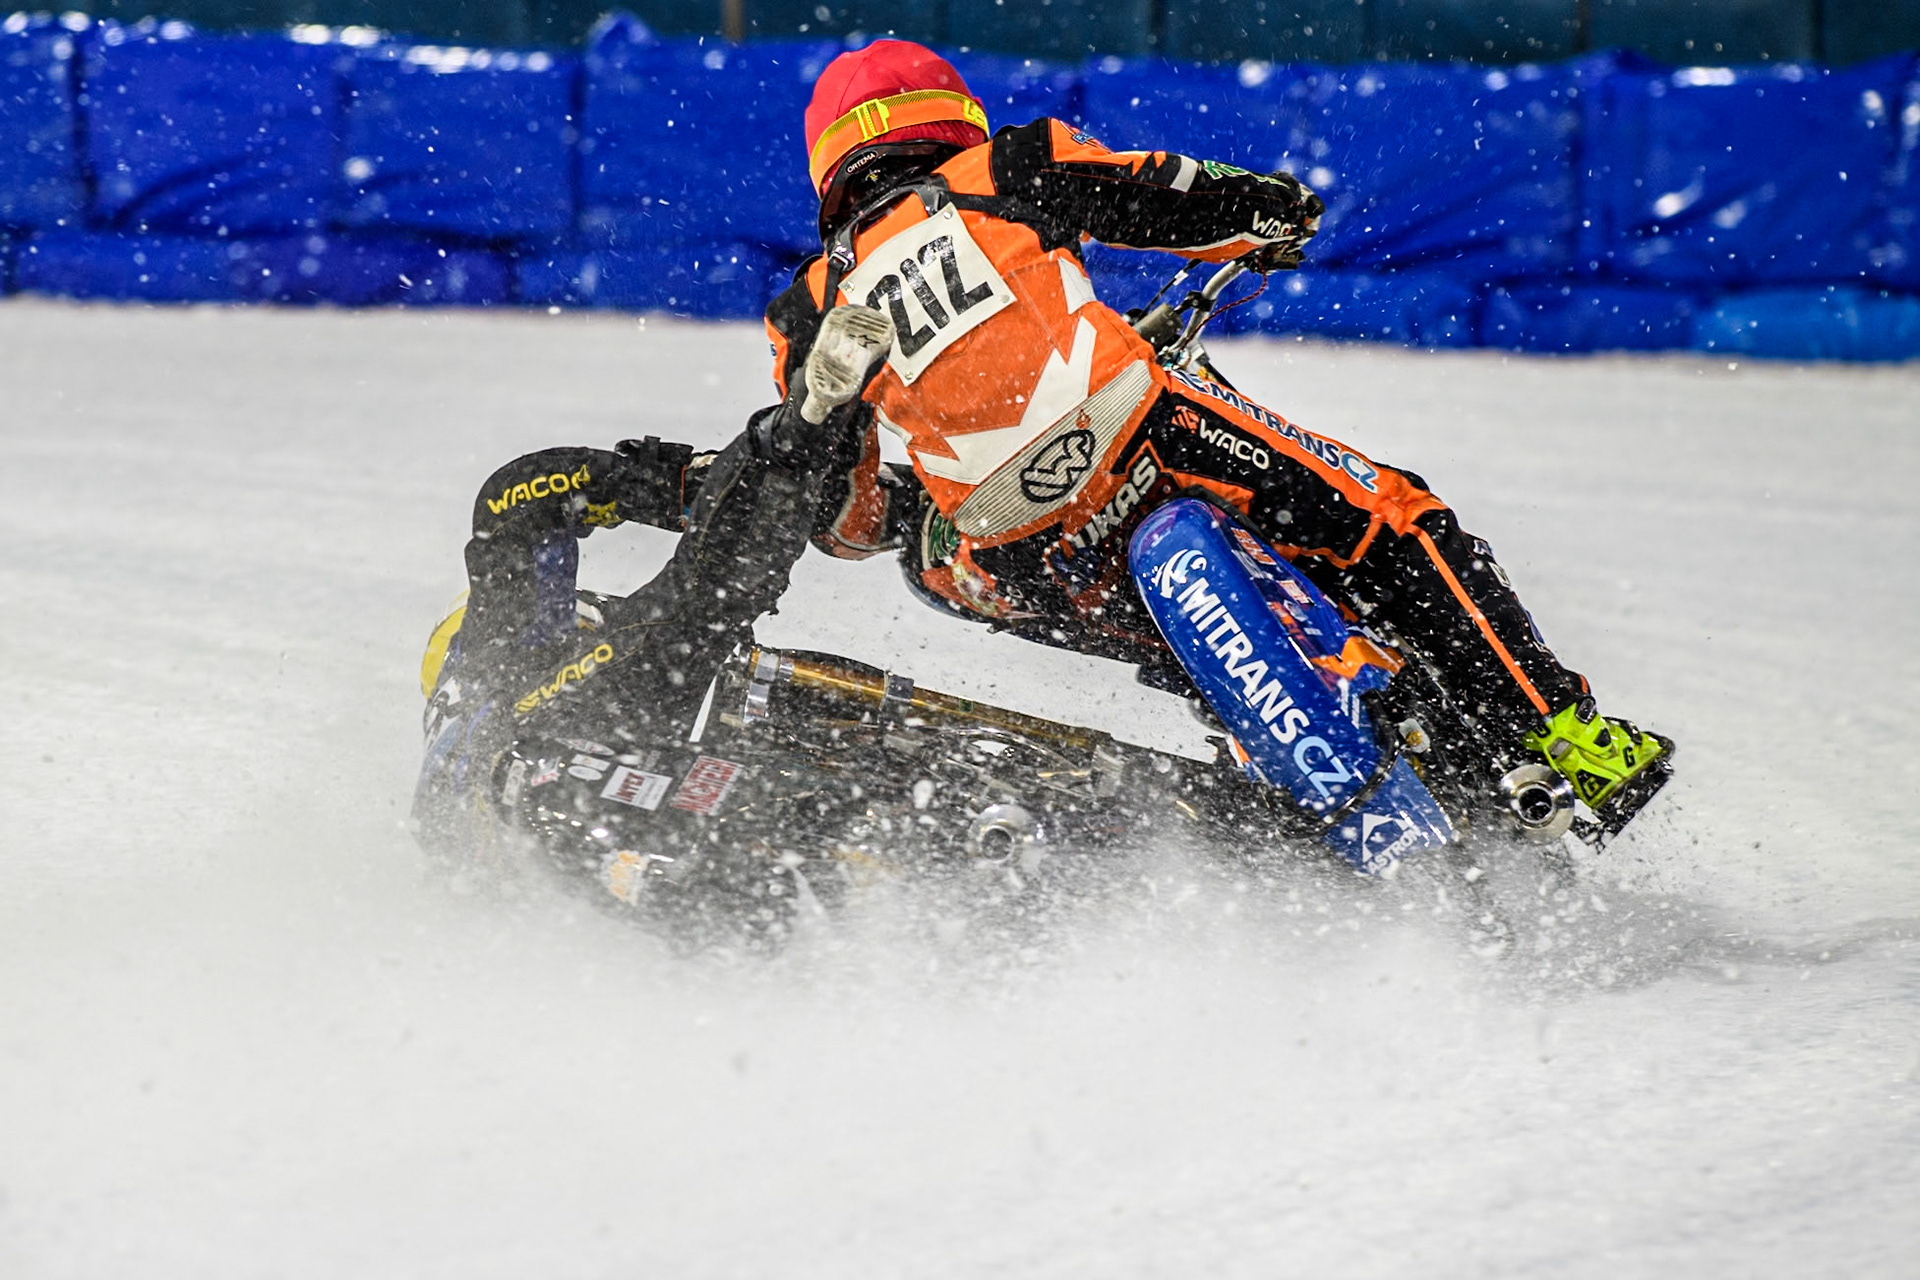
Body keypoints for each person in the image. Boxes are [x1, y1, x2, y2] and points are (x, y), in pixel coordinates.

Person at [762, 39, 1671, 829]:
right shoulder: (1003, 168)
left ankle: (1259, 760)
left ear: (829, 164)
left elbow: (844, 516)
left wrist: (896, 510)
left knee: (1151, 646)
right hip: (1138, 431)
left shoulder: (806, 308)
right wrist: (1272, 212)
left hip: (1011, 542)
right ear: (950, 119)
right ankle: (1563, 732)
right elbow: (1164, 193)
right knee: (1390, 524)